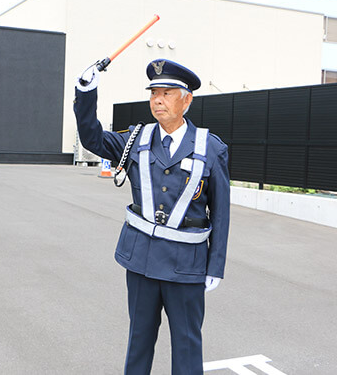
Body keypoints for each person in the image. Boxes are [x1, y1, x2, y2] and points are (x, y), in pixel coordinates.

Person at [73, 59, 230, 374]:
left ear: (186, 100)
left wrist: (216, 266)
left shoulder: (211, 148)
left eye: (167, 93)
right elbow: (92, 138)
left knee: (187, 343)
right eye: (154, 93)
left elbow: (221, 212)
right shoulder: (136, 140)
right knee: (140, 339)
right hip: (141, 262)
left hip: (186, 266)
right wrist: (86, 92)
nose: (158, 100)